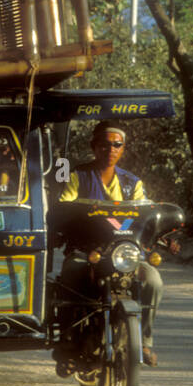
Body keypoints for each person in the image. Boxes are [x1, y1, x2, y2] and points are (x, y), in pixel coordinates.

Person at [56, 121, 163, 366]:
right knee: (71, 271)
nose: (111, 149)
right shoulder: (77, 176)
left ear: (123, 149)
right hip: (87, 250)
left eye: (117, 145)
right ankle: (68, 335)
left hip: (124, 253)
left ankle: (145, 343)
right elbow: (64, 206)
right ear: (94, 147)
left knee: (154, 281)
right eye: (105, 145)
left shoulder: (132, 183)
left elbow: (145, 213)